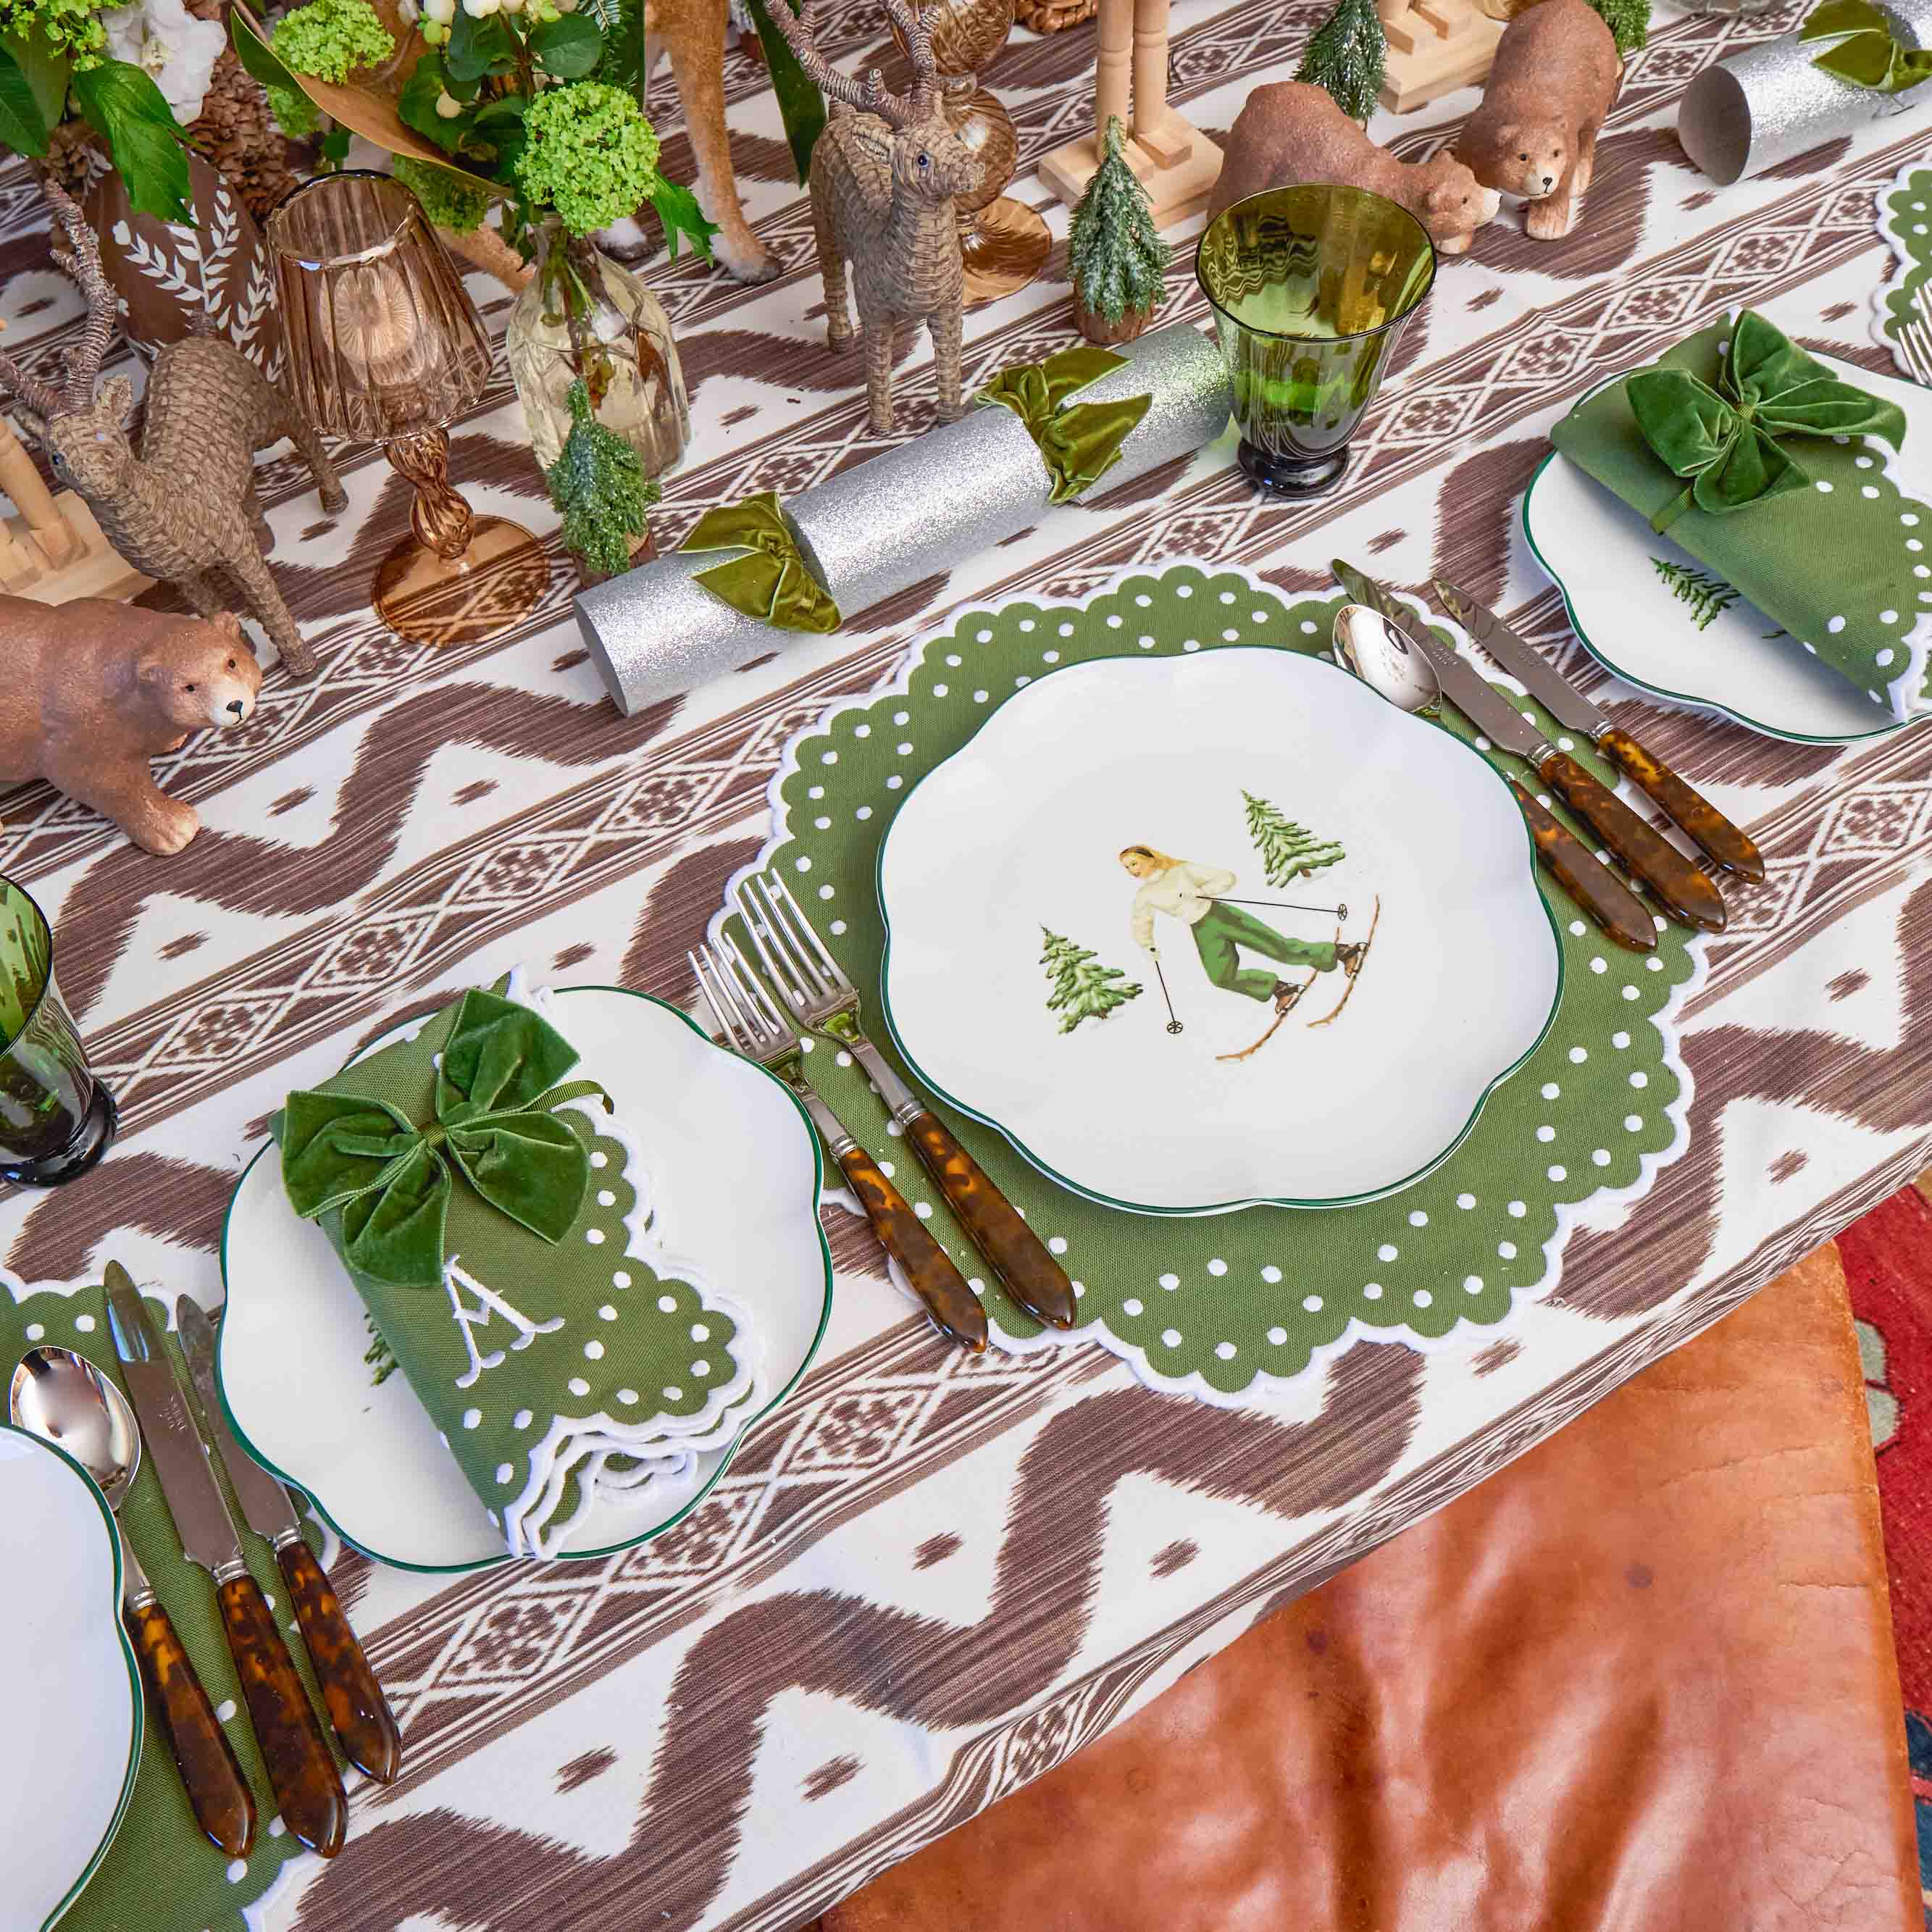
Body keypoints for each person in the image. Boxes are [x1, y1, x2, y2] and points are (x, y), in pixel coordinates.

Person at [1120, 844, 1362, 1016]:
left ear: (1150, 857)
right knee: (1220, 977)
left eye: (1134, 863)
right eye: (1127, 868)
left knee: (1280, 949)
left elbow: (1226, 878)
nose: (1132, 870)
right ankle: (1281, 989)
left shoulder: (1180, 871)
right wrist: (1147, 945)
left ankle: (1342, 952)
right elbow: (1141, 921)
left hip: (1220, 915)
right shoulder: (1145, 895)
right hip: (1201, 929)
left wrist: (1204, 892)